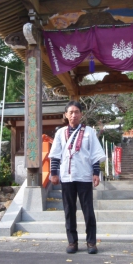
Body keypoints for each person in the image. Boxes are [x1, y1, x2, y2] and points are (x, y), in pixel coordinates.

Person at [49, 101, 106, 254]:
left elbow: (95, 154)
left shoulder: (89, 132)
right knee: (69, 210)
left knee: (88, 210)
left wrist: (96, 173)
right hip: (67, 176)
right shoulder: (60, 133)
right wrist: (54, 173)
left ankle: (91, 243)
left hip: (84, 175)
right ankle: (72, 242)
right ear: (66, 115)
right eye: (71, 112)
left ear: (81, 114)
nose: (74, 115)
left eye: (77, 112)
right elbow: (55, 155)